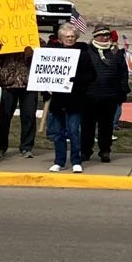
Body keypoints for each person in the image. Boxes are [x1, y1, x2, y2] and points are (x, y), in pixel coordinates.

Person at [42, 23, 92, 172]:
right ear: (61, 38)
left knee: (73, 131)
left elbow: (91, 75)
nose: (70, 39)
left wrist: (76, 80)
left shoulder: (83, 53)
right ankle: (59, 161)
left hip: (75, 99)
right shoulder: (52, 53)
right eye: (67, 36)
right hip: (57, 100)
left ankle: (76, 161)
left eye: (72, 36)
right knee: (58, 133)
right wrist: (45, 91)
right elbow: (44, 74)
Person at [80, 27, 130, 163]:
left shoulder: (116, 52)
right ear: (95, 36)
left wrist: (123, 91)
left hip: (109, 95)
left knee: (106, 126)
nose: (105, 37)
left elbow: (123, 73)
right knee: (87, 126)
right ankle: (85, 151)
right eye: (102, 35)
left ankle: (105, 151)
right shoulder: (86, 51)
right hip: (89, 95)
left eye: (107, 35)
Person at [0, 40, 35, 158]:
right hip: (8, 83)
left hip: (29, 83)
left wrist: (32, 55)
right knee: (4, 116)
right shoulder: (4, 39)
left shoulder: (35, 40)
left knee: (29, 116)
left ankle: (27, 147)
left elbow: (42, 62)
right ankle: (1, 147)